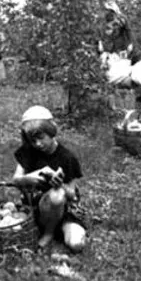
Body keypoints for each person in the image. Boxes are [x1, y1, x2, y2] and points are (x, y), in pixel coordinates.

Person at [12, 106, 87, 252]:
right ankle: (48, 233)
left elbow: (73, 195)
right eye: (33, 141)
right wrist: (29, 178)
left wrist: (61, 185)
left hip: (64, 212)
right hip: (36, 208)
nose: (38, 144)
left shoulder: (67, 158)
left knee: (76, 244)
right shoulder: (28, 152)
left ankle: (55, 230)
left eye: (41, 138)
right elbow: (16, 179)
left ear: (51, 132)